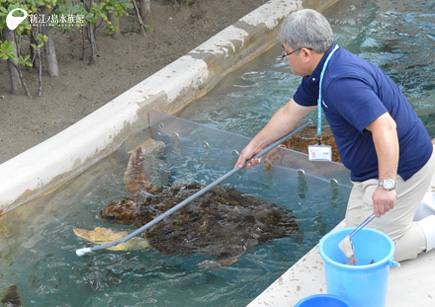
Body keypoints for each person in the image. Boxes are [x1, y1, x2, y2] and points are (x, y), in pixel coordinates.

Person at [235, 9, 435, 262]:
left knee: (369, 255)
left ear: (305, 53)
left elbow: (386, 127)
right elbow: (289, 114)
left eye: (286, 52)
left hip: (402, 168)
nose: (286, 59)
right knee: (346, 244)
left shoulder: (340, 82)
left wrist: (386, 186)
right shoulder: (323, 70)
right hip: (370, 172)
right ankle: (418, 206)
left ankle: (428, 227)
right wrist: (255, 146)